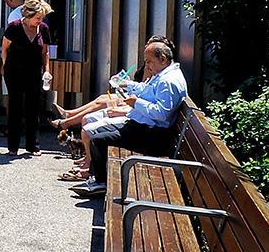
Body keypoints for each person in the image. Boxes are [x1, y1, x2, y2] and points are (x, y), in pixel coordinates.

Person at [72, 40, 188, 198]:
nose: (147, 66)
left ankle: (100, 183)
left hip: (151, 135)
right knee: (94, 133)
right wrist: (127, 85)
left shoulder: (169, 81)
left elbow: (162, 113)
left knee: (98, 139)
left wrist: (136, 103)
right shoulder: (164, 74)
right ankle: (98, 180)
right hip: (140, 127)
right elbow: (148, 90)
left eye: (149, 62)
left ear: (162, 58)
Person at [1, 0, 52, 155]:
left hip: (34, 71)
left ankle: (32, 145)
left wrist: (47, 70)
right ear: (28, 15)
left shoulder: (43, 28)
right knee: (15, 106)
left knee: (33, 108)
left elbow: (45, 52)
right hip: (14, 71)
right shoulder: (14, 27)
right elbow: (4, 48)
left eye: (42, 18)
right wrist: (4, 66)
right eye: (37, 17)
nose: (40, 20)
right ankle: (13, 146)